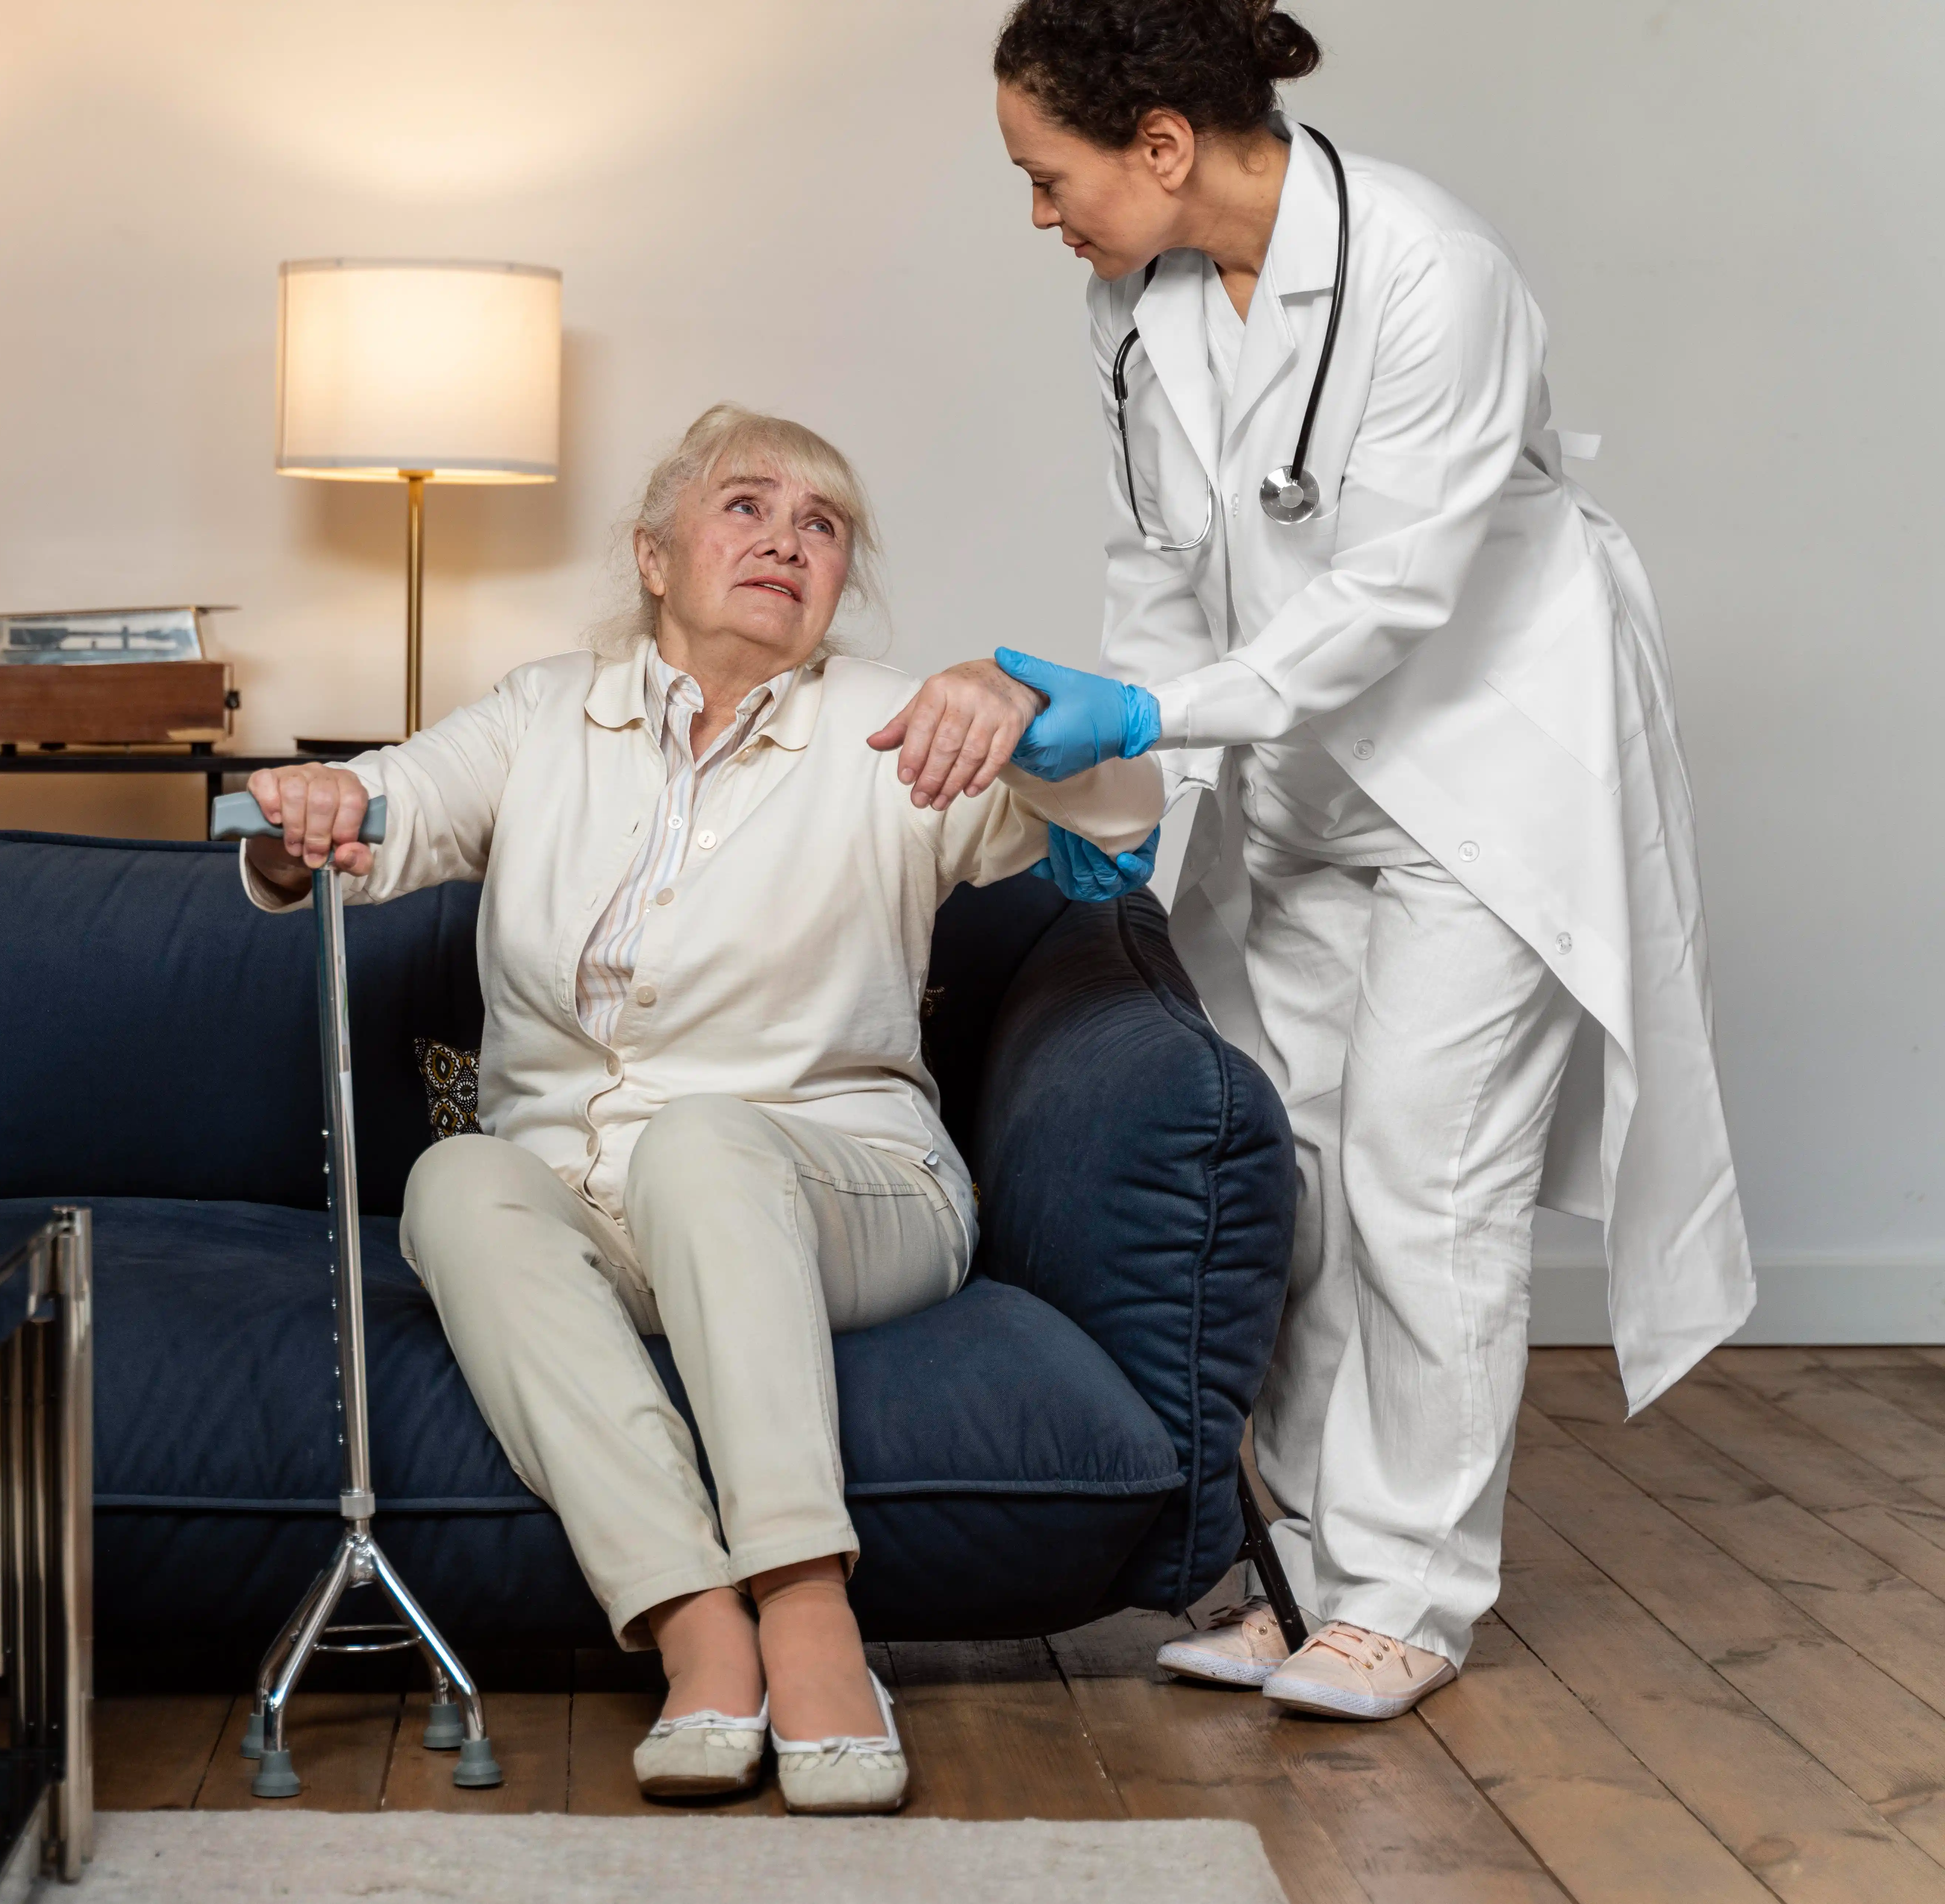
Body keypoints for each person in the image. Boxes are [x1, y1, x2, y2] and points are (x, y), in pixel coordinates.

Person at [873, 0, 1753, 1720]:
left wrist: (1149, 710)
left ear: (1158, 144)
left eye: (1047, 177)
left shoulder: (1433, 270)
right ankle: (1307, 1576)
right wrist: (1118, 804)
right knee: (1302, 1182)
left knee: (1425, 1182)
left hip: (1484, 762)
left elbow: (1390, 600)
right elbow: (1156, 567)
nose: (1038, 216)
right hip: (1296, 774)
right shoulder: (1128, 306)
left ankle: (1410, 1597)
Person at [240, 404, 1159, 1809]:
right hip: (596, 1209)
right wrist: (316, 810)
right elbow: (388, 802)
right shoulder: (548, 710)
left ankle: (807, 1610)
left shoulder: (895, 727)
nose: (788, 536)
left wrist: (1023, 708)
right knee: (457, 1184)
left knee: (707, 1142)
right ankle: (693, 1620)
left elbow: (1117, 822)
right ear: (654, 556)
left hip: (845, 1188)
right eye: (747, 505)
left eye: (824, 523)